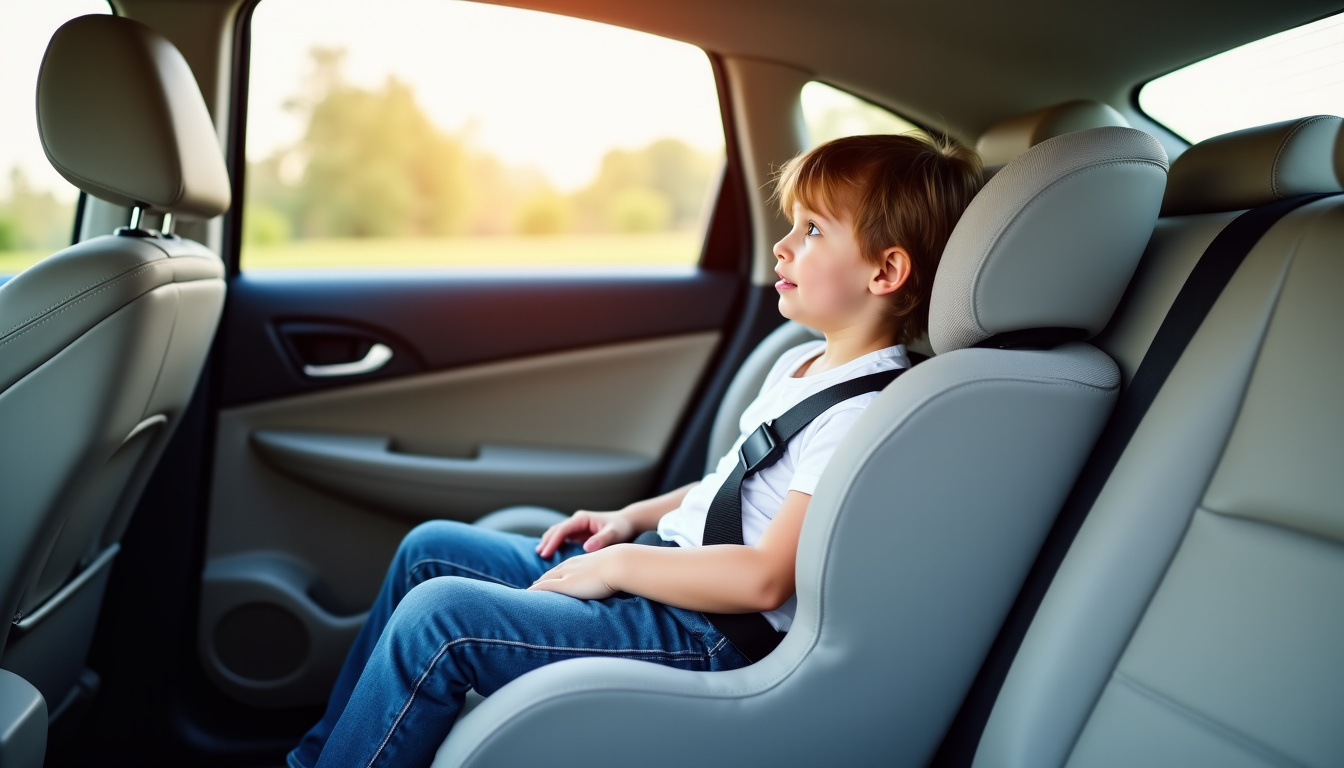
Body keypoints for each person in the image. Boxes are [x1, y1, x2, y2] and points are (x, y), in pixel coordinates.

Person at [288, 133, 983, 768]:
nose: (782, 246)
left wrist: (618, 564)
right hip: (669, 569)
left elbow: (766, 581)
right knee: (429, 548)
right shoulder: (801, 363)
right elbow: (731, 485)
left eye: (812, 230)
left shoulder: (861, 413)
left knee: (439, 618)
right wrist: (632, 519)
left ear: (885, 271)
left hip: (706, 630)